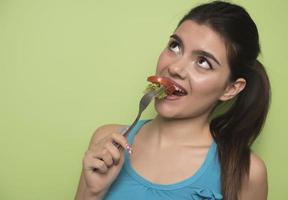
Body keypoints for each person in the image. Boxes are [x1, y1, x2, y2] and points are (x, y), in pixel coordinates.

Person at [75, 1, 270, 200]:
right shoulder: (107, 141)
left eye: (203, 61)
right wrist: (92, 192)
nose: (175, 68)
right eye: (175, 46)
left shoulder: (247, 172)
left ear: (230, 89)